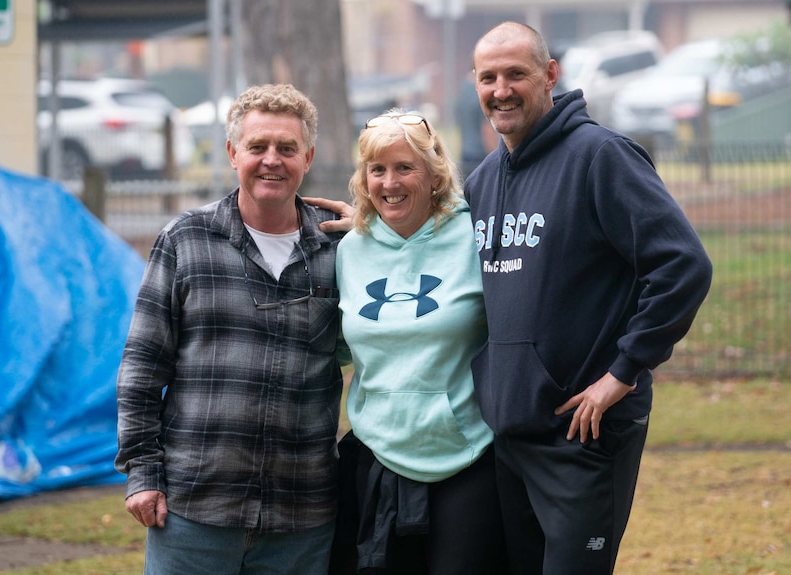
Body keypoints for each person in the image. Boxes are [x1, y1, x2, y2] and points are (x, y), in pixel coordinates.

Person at [464, 22, 713, 575]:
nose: (501, 89)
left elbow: (683, 266)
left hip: (584, 433)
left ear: (550, 74)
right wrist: (367, 226)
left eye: (516, 74)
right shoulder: (481, 181)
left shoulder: (601, 157)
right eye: (488, 77)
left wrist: (621, 374)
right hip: (510, 434)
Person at [114, 83, 346, 575]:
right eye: (258, 146)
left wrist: (382, 233)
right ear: (232, 153)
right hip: (192, 511)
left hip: (301, 517)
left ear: (307, 157)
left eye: (286, 148)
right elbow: (141, 367)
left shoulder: (340, 249)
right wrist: (142, 472)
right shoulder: (185, 240)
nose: (272, 160)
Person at [333, 109, 508, 574]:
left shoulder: (475, 235)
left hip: (466, 454)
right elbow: (335, 346)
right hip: (377, 453)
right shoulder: (349, 250)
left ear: (434, 175)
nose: (390, 182)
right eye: (378, 170)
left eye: (405, 167)